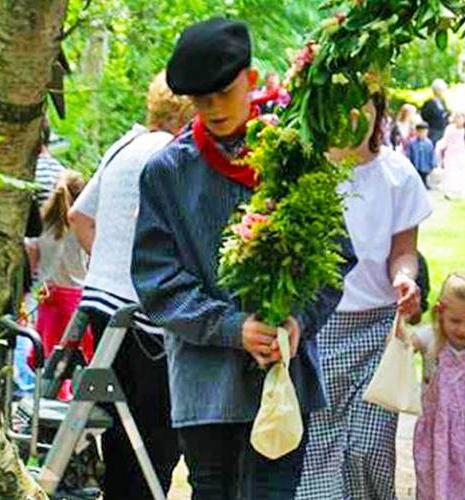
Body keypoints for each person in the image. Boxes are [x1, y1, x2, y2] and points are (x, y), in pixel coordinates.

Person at [132, 18, 351, 498]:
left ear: (251, 80)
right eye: (199, 99)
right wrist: (232, 327)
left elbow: (335, 258)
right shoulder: (166, 172)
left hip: (282, 377)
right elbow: (156, 282)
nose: (212, 108)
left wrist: (298, 320)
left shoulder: (295, 156)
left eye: (224, 93)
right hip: (206, 386)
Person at [295, 91, 433, 500]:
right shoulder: (304, 168)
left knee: (369, 449)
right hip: (316, 330)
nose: (352, 114)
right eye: (340, 103)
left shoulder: (398, 174)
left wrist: (406, 281)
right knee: (315, 450)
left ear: (378, 111)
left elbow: (404, 252)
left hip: (377, 331)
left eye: (363, 104)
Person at [68, 71, 192, 497]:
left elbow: (78, 218)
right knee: (156, 431)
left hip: (100, 305)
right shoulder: (175, 153)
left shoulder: (122, 146)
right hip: (144, 316)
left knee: (120, 428)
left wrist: (108, 262)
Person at [408, 272, 465, 500]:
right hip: (436, 438)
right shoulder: (430, 340)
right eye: (455, 321)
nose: (463, 330)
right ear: (440, 313)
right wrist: (402, 313)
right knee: (435, 488)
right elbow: (402, 344)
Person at [26, 169, 91, 376]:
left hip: (47, 295)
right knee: (75, 361)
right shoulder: (83, 226)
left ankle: (43, 401)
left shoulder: (45, 223)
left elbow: (31, 252)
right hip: (75, 299)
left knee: (46, 359)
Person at [435, 112, 465, 200]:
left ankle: (461, 191)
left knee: (461, 172)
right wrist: (440, 147)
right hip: (451, 153)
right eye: (457, 117)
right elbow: (445, 140)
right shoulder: (450, 128)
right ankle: (449, 192)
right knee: (450, 172)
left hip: (461, 153)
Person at [406, 122, 436, 187]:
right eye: (420, 132)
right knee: (417, 177)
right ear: (416, 132)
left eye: (424, 132)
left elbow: (432, 154)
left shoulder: (429, 143)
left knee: (424, 176)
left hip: (425, 164)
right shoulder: (412, 142)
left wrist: (432, 164)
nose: (421, 134)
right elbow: (409, 153)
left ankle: (425, 184)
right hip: (416, 164)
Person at [421, 79, 450, 145]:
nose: (444, 91)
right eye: (442, 89)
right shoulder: (429, 103)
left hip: (443, 130)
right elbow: (425, 117)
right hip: (433, 131)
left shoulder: (442, 101)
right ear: (437, 90)